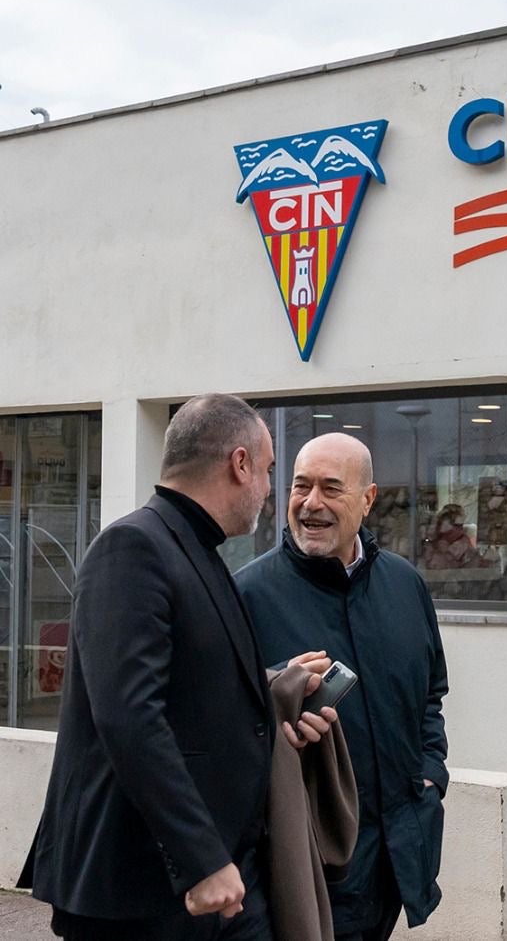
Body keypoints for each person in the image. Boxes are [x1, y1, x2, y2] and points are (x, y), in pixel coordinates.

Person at [19, 393, 337, 941]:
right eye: (266, 472)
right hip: (148, 891)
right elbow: (129, 716)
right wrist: (202, 860)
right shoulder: (132, 547)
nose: (267, 490)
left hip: (221, 880)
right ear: (238, 464)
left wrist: (278, 700)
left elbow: (191, 694)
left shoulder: (193, 549)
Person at [237, 433, 449, 941]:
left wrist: (430, 776)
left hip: (398, 851)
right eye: (300, 486)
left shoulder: (405, 585)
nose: (311, 504)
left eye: (331, 488)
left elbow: (430, 696)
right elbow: (221, 727)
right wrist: (278, 700)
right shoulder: (245, 596)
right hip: (308, 859)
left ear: (368, 499)